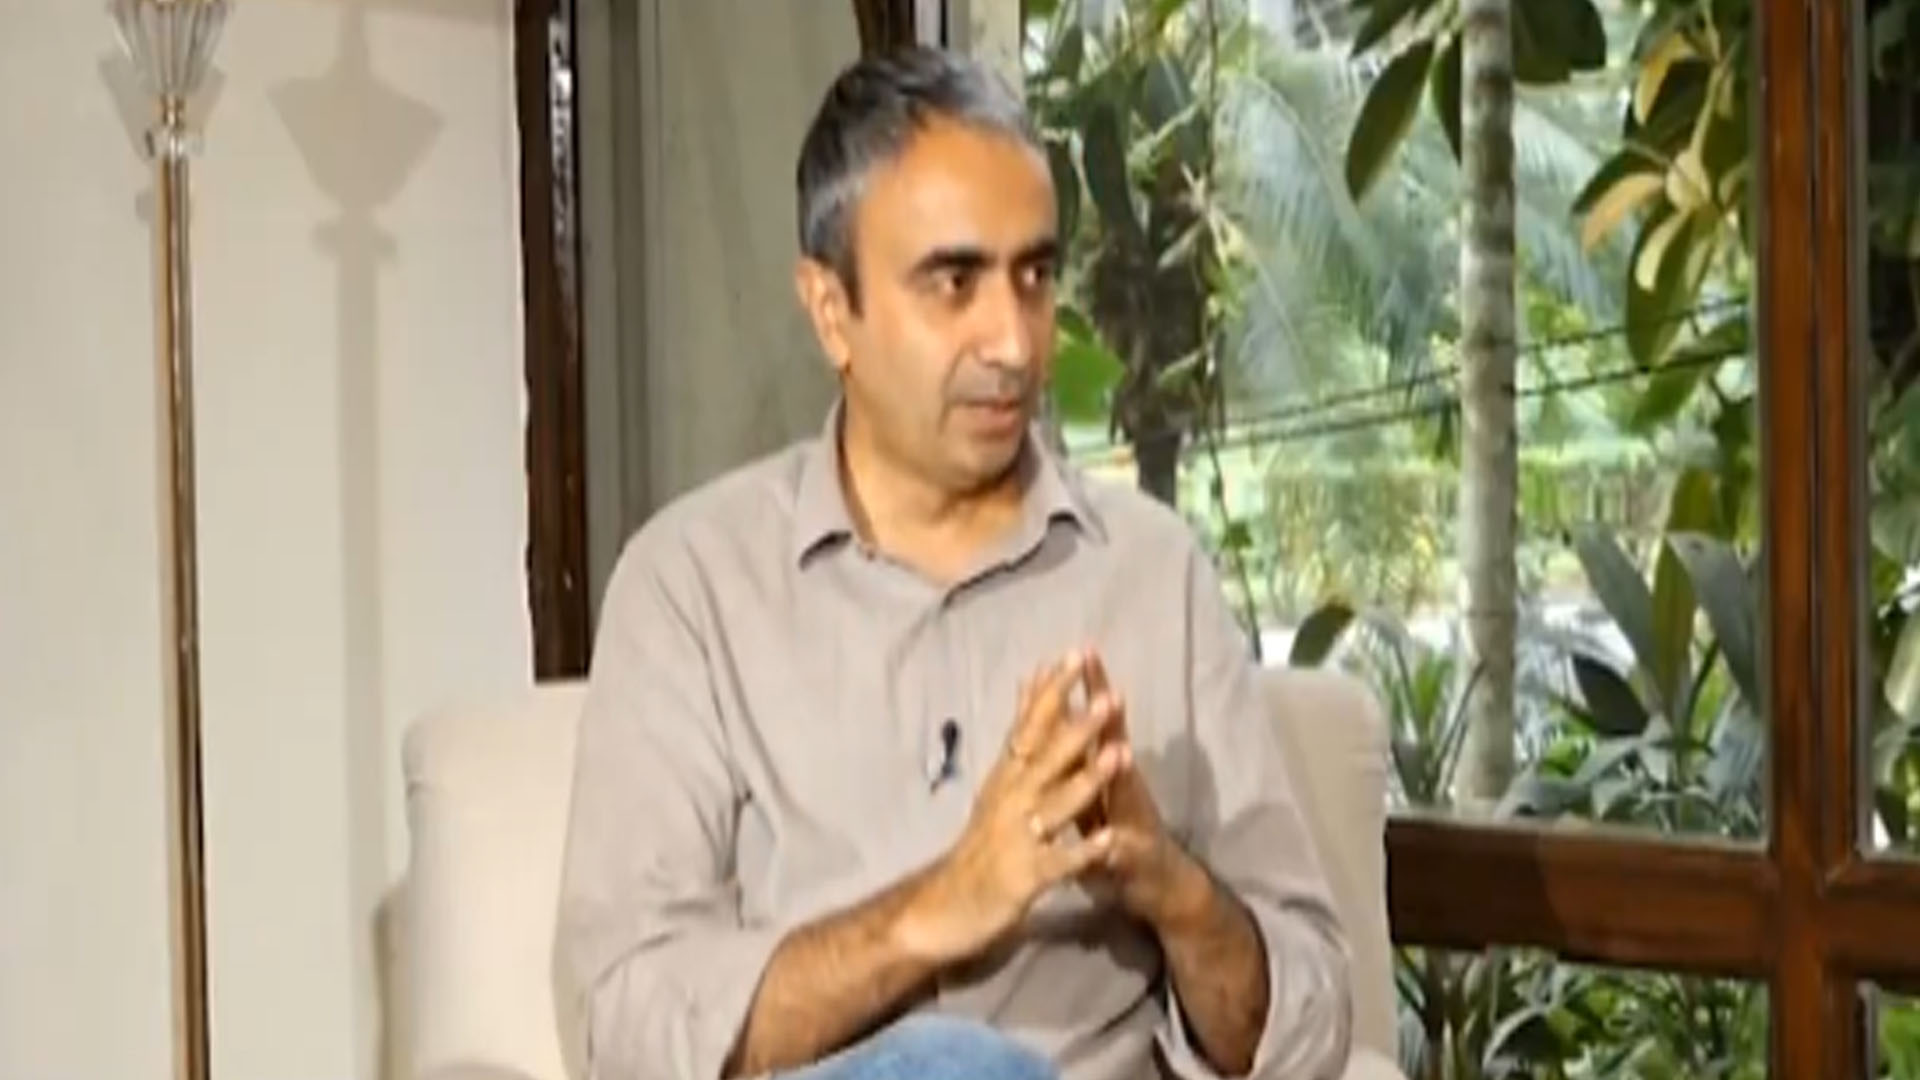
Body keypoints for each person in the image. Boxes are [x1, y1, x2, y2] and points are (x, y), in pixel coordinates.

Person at [552, 45, 1352, 1080]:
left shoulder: (1156, 577)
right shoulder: (691, 589)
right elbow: (626, 1027)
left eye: (1035, 276)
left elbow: (1309, 1028)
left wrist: (1172, 887)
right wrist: (942, 905)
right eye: (954, 282)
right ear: (831, 312)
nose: (1014, 342)